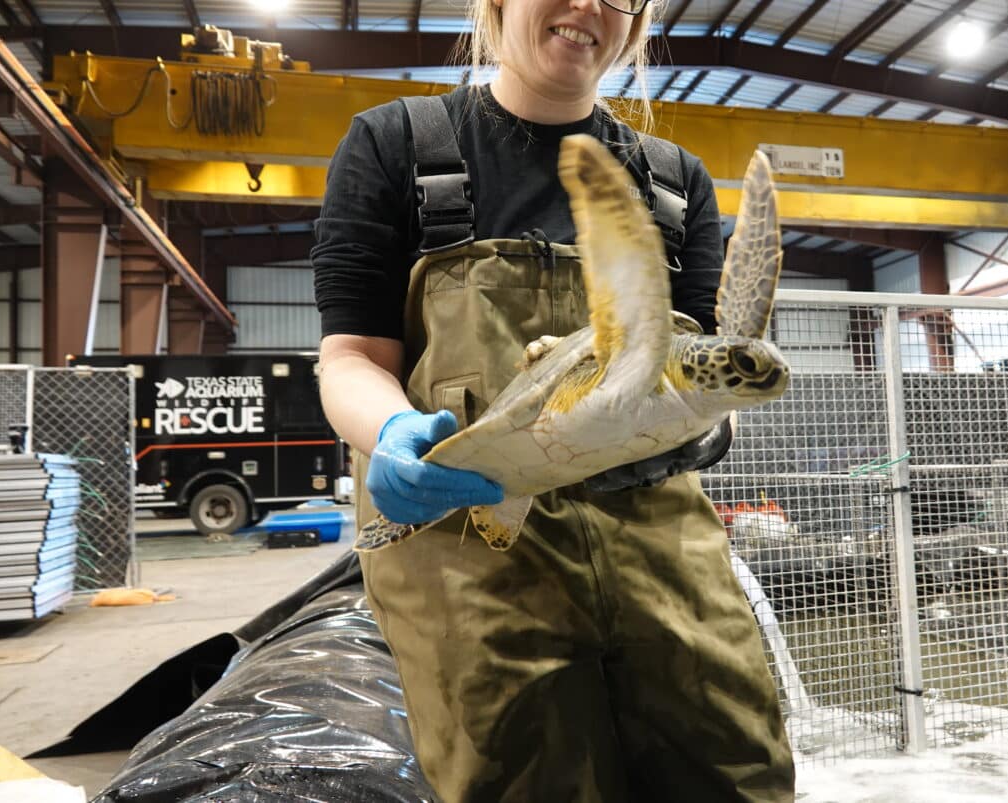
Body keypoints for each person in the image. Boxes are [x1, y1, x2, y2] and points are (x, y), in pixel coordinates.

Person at [311, 0, 796, 800]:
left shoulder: (675, 184)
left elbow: (718, 364)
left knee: (736, 761)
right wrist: (392, 430)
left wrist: (711, 421)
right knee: (527, 773)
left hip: (661, 543)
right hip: (474, 543)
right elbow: (352, 358)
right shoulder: (399, 145)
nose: (589, 8)